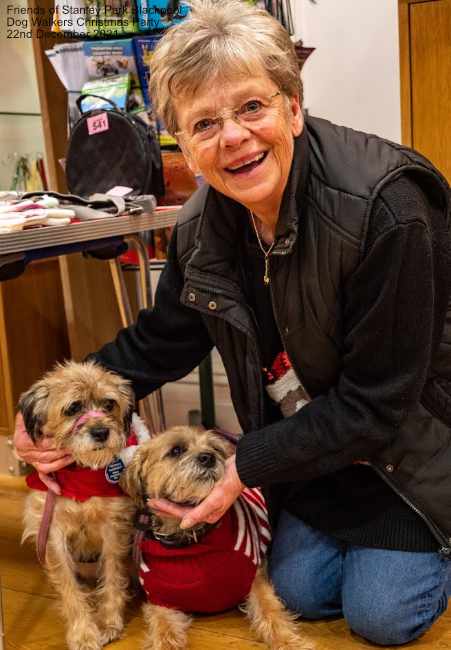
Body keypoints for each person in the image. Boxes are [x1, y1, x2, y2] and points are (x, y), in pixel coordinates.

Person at [14, 0, 451, 645]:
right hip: (313, 457)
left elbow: (378, 404)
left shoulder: (388, 209)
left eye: (252, 107)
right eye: (205, 123)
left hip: (409, 454)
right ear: (185, 146)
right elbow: (162, 340)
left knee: (382, 618)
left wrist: (244, 466)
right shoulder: (202, 226)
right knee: (301, 592)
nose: (234, 137)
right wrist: (49, 419)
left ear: (293, 106)